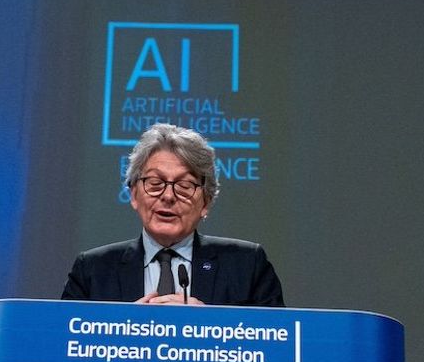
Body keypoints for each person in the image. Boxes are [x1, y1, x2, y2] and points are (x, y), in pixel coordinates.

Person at [62, 123, 283, 306]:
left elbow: (278, 346)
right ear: (133, 195)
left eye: (185, 185)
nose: (168, 196)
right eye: (155, 183)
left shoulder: (247, 266)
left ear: (206, 202)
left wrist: (213, 325)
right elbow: (62, 348)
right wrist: (122, 328)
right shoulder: (92, 271)